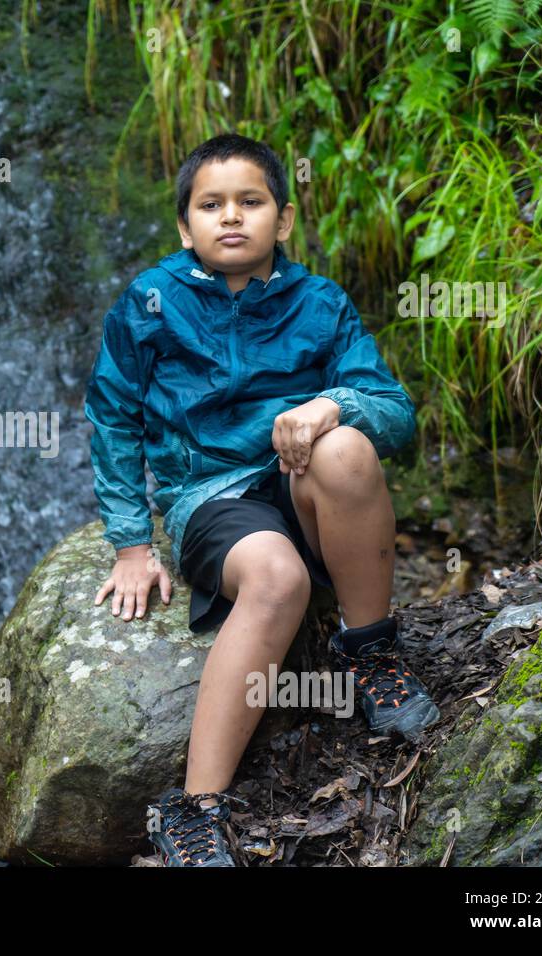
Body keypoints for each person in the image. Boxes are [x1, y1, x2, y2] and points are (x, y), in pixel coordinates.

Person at [84, 133, 440, 867]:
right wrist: (130, 543)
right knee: (278, 578)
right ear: (186, 227)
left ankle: (370, 653)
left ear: (282, 218)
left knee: (347, 446)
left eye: (251, 201)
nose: (232, 217)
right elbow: (111, 415)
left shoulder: (319, 302)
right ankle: (192, 810)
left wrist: (330, 406)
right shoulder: (150, 303)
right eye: (210, 205)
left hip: (303, 482)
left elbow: (395, 413)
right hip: (211, 499)